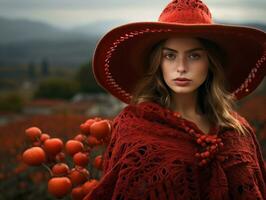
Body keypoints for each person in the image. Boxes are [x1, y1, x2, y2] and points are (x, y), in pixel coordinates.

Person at [85, 0, 266, 199]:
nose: (181, 67)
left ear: (210, 62)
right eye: (170, 56)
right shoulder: (132, 128)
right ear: (158, 63)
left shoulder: (238, 131)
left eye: (194, 56)